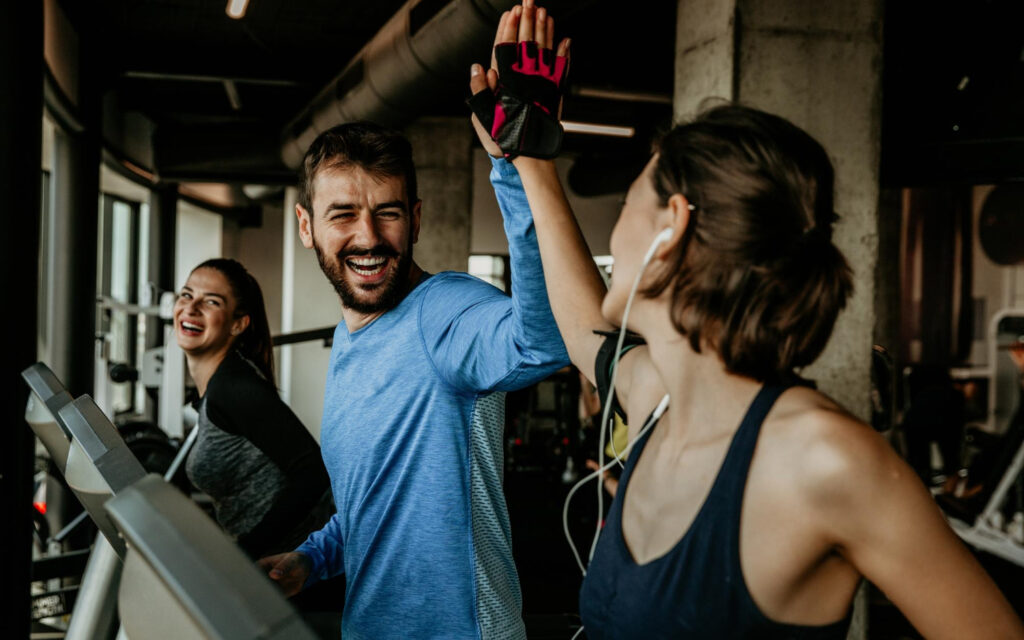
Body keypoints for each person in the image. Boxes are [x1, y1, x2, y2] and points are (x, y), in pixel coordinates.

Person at [467, 3, 1024, 637]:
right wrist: (530, 162)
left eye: (627, 207)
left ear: (670, 226)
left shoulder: (825, 459)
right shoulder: (657, 400)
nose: (615, 237)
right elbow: (585, 333)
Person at [256, 112, 569, 634]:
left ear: (416, 219)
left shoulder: (445, 310)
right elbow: (373, 507)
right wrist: (312, 558)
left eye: (388, 212)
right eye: (343, 215)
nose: (368, 236)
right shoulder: (352, 339)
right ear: (307, 226)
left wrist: (512, 166)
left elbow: (545, 343)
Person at [174, 258, 332, 559]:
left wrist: (246, 554)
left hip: (291, 571)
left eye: (211, 301)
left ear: (238, 323)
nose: (191, 308)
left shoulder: (232, 387)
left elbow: (312, 472)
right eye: (186, 294)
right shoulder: (219, 385)